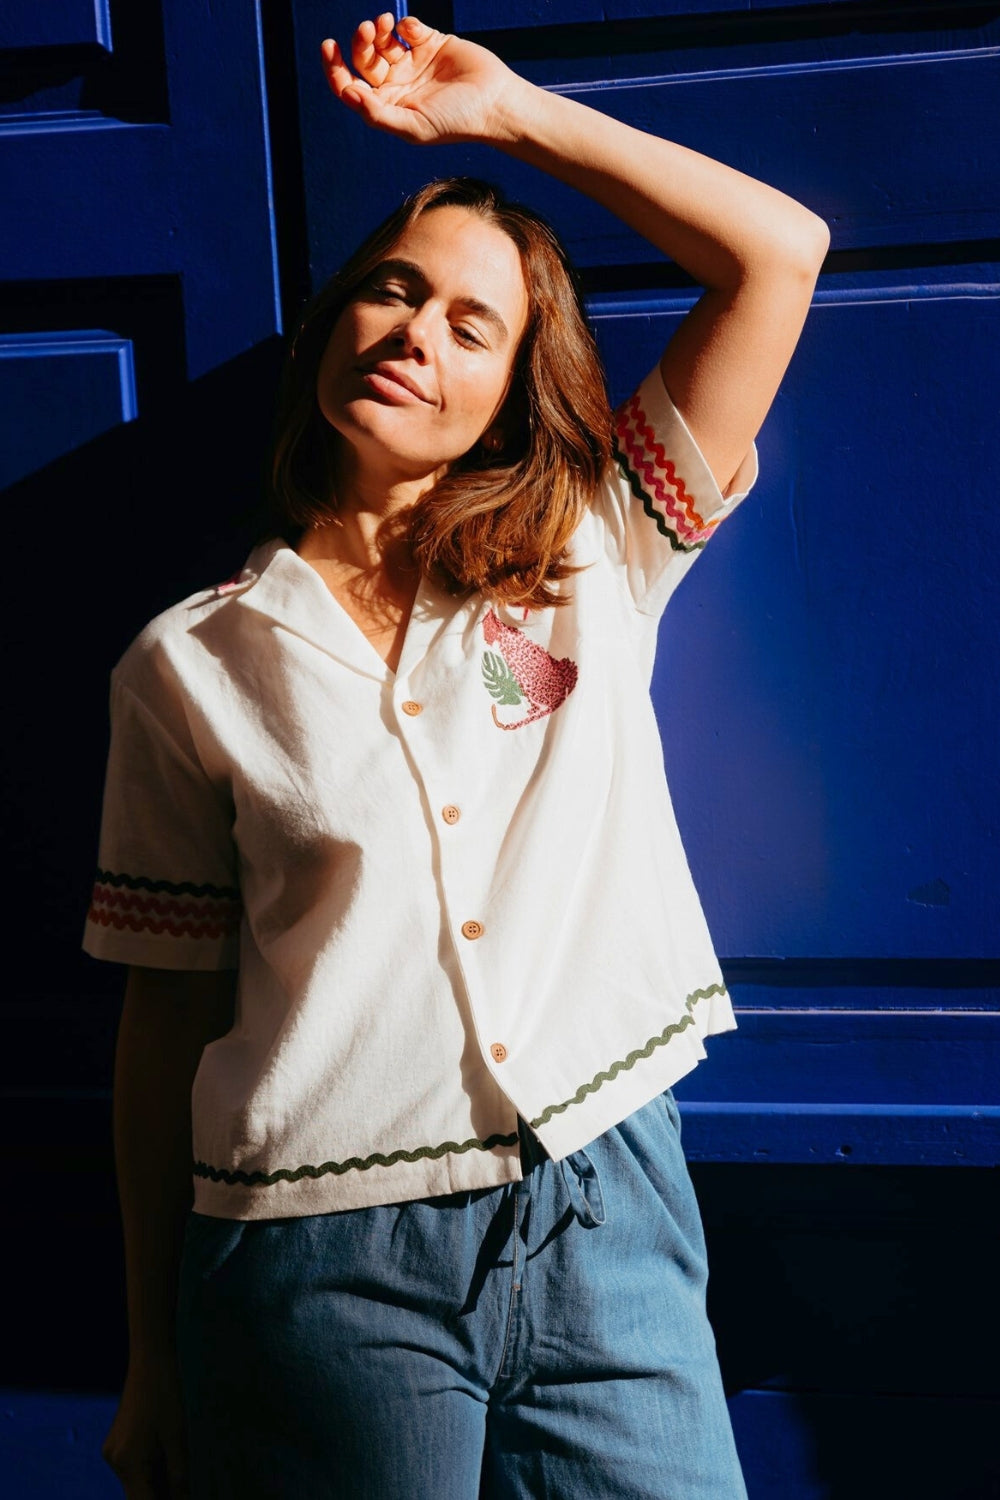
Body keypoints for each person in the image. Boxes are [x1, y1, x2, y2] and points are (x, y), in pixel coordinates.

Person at [87, 13, 828, 1499]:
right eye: (390, 292)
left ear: (511, 389)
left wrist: (511, 117)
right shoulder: (189, 662)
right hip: (312, 1254)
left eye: (470, 323)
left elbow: (779, 252)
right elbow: (165, 1027)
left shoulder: (595, 554)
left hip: (605, 1206)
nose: (416, 331)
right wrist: (154, 1357)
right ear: (333, 333)